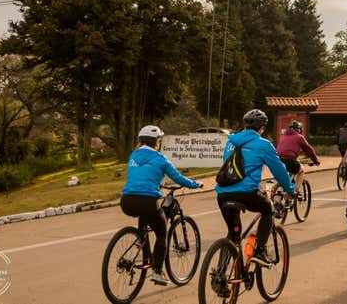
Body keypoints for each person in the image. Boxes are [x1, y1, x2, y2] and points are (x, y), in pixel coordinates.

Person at [121, 125, 203, 285]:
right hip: (147, 201)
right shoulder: (161, 159)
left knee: (145, 214)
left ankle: (141, 240)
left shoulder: (133, 155)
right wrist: (195, 184)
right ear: (156, 142)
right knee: (161, 233)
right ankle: (157, 272)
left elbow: (141, 176)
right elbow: (179, 178)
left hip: (127, 200)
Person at [216, 109, 296, 267]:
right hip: (247, 193)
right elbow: (279, 170)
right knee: (268, 209)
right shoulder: (264, 145)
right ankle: (260, 251)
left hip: (223, 193)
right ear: (262, 128)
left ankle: (220, 274)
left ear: (244, 125)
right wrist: (291, 189)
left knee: (233, 233)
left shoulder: (231, 142)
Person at [275, 120, 320, 196]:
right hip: (290, 161)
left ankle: (277, 197)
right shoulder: (299, 137)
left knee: (285, 176)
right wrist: (315, 160)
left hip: (278, 161)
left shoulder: (282, 136)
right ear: (299, 129)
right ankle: (294, 192)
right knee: (301, 170)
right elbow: (308, 149)